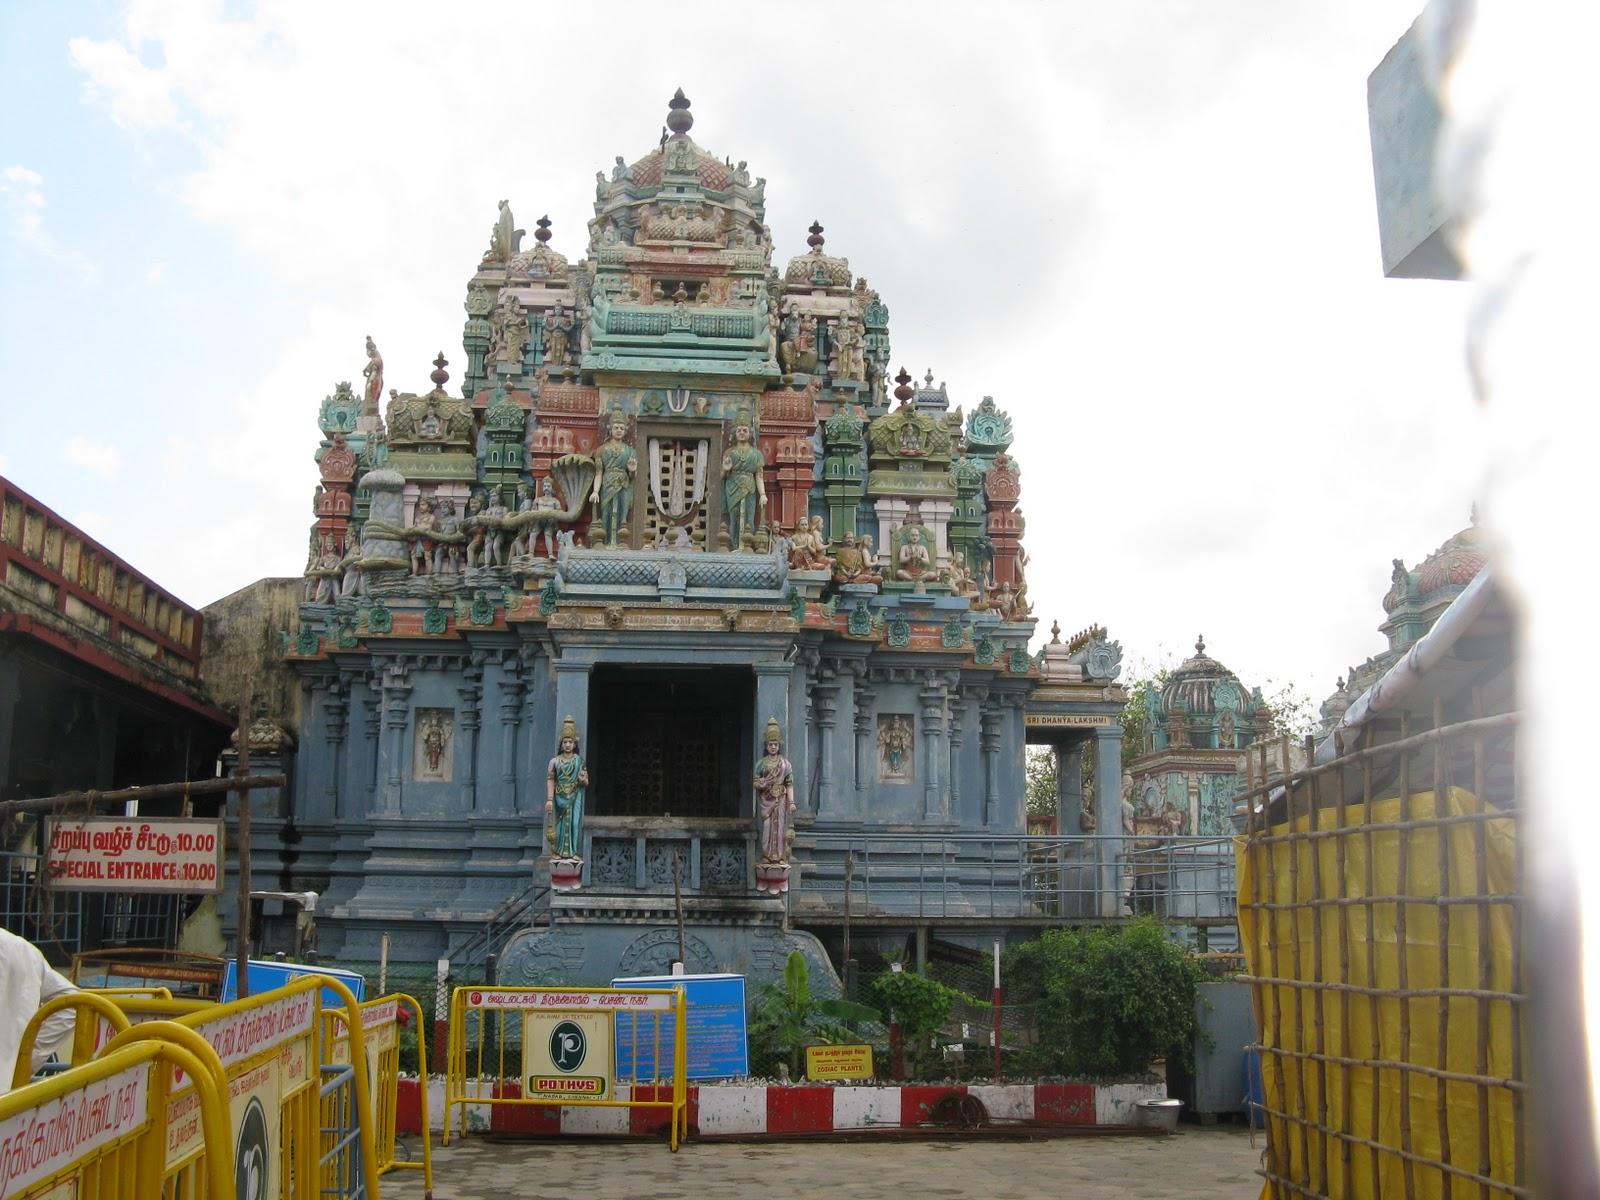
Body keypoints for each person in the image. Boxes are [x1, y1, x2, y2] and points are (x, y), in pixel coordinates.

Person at [0, 928, 77, 1091]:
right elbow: (72, 1003)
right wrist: (24, 1063)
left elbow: (71, 1004)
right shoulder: (22, 950)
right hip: (10, 1092)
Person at [590, 411, 637, 547]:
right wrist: (595, 491)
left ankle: (619, 542)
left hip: (623, 483)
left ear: (625, 430)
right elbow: (598, 473)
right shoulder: (601, 450)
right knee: (606, 513)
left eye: (622, 428)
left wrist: (632, 471)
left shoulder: (630, 451)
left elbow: (632, 476)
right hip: (607, 482)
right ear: (610, 428)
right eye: (616, 427)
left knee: (622, 514)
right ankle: (605, 542)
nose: (619, 430)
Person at [721, 411, 766, 550]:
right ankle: (735, 547)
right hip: (732, 486)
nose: (741, 433)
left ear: (750, 433)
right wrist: (726, 468)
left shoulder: (756, 454)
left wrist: (763, 494)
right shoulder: (729, 452)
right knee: (733, 519)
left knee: (749, 518)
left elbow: (759, 476)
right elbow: (721, 475)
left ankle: (746, 546)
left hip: (749, 487)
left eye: (745, 430)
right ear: (735, 433)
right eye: (739, 430)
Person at [546, 716, 589, 860]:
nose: (568, 745)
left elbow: (586, 781)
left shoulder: (579, 761)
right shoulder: (555, 761)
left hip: (575, 794)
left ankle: (572, 852)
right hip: (560, 796)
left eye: (570, 742)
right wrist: (550, 799)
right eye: (565, 742)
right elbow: (551, 780)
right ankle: (557, 851)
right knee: (559, 823)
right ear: (561, 744)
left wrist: (583, 780)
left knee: (574, 823)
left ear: (574, 743)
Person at [754, 717, 795, 865]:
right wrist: (763, 784)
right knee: (767, 829)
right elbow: (756, 782)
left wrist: (791, 802)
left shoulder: (785, 764)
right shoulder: (761, 764)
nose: (773, 747)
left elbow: (789, 783)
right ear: (766, 745)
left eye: (775, 744)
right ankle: (767, 855)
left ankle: (780, 856)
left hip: (781, 800)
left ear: (779, 746)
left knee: (781, 827)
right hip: (767, 800)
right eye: (770, 744)